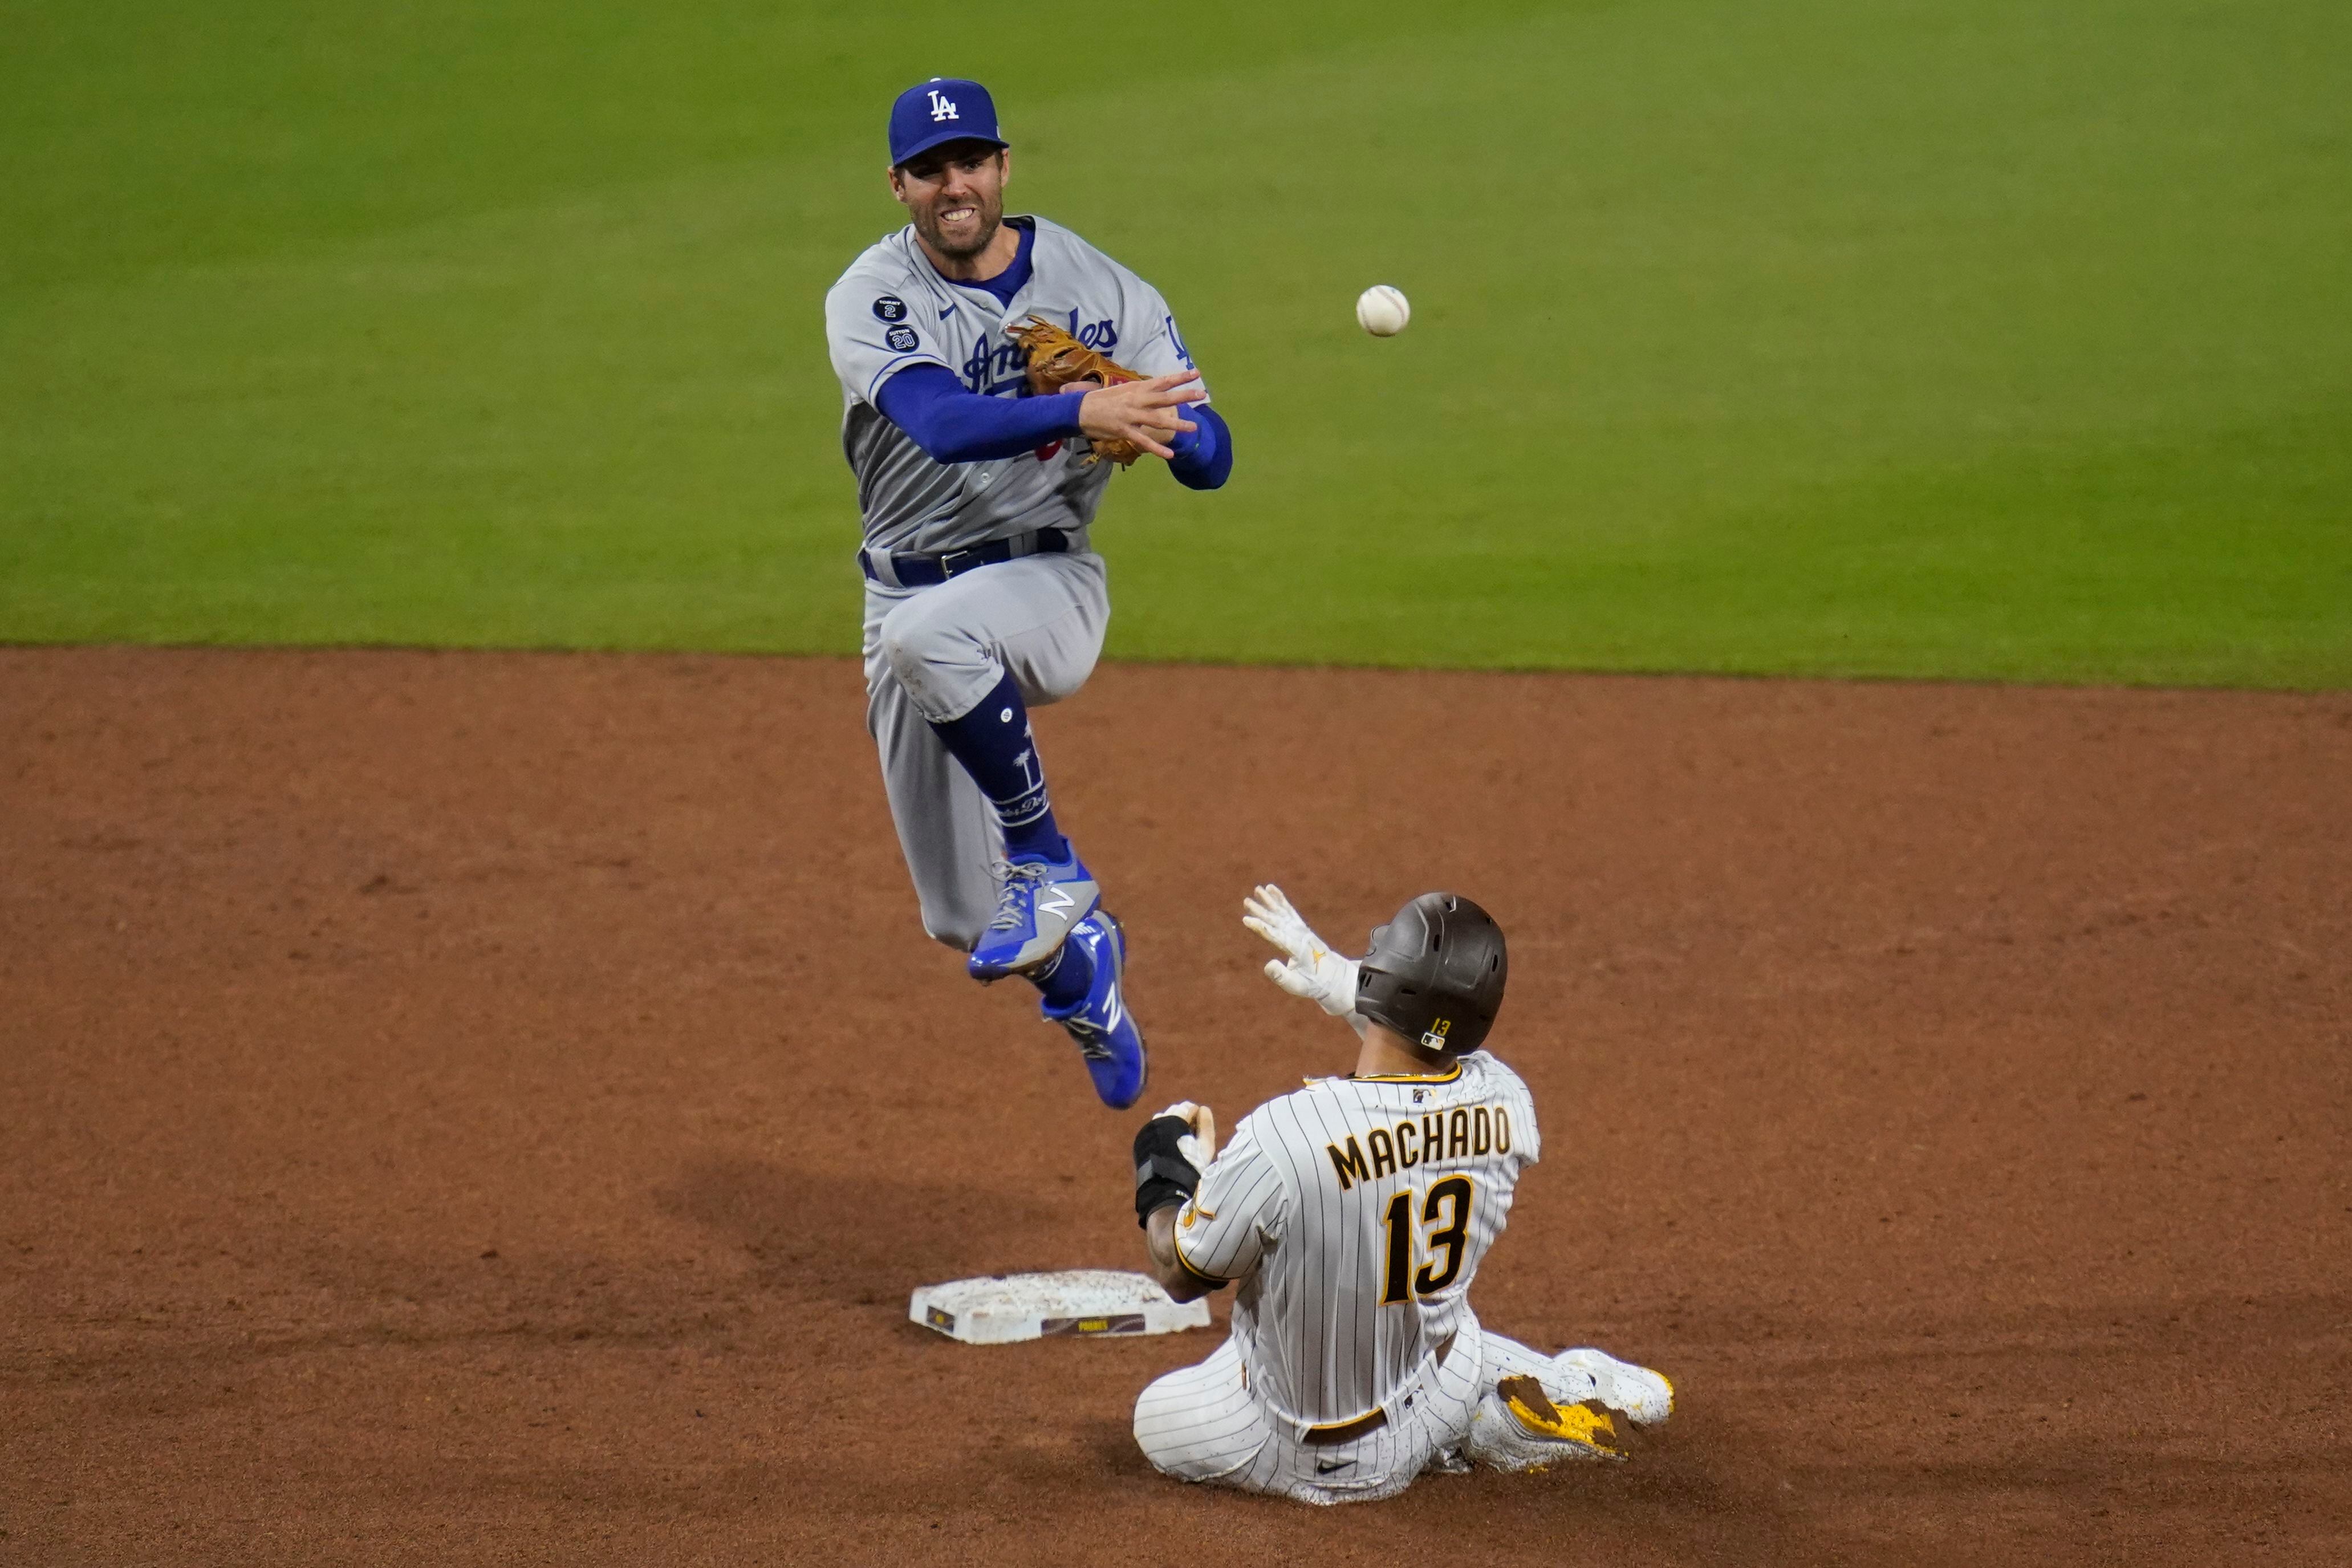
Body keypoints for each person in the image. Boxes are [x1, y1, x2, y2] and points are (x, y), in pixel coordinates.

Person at [823, 79, 1233, 1110]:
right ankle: (1081, 967)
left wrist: (1161, 422)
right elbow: (943, 424)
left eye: (970, 162)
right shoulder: (872, 295)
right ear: (899, 186)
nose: (952, 185)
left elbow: (1214, 460)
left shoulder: (1107, 288)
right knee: (961, 916)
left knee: (934, 640)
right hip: (904, 598)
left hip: (1049, 582)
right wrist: (1088, 401)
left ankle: (1046, 858)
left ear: (1004, 167)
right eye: (929, 170)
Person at [1126, 886, 1675, 1504]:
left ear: (1384, 982)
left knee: (1155, 1414)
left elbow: (1182, 1271)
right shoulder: (1508, 1103)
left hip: (1297, 1446)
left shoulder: (1282, 1136)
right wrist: (1338, 979)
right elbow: (1427, 1049)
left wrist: (1168, 1171)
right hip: (1432, 1388)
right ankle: (1554, 1387)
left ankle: (1478, 1423)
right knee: (1450, 1329)